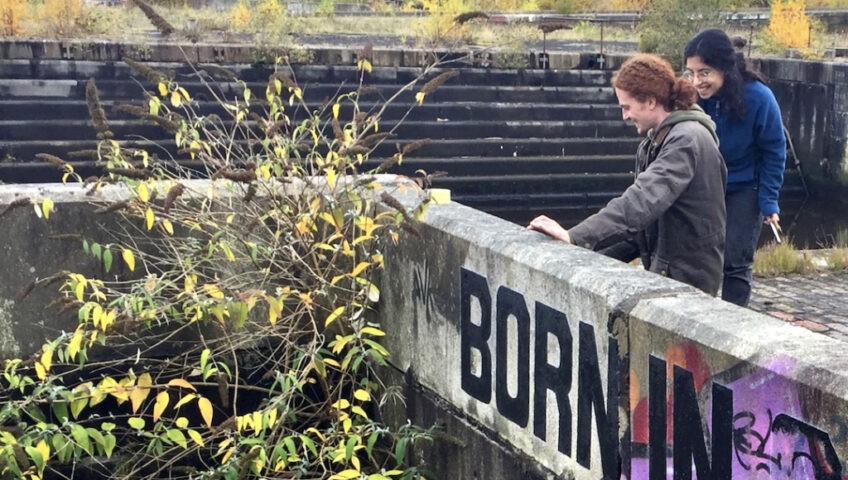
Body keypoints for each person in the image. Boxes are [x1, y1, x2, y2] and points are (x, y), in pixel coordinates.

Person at [527, 54, 727, 296]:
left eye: (626, 107)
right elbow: (640, 228)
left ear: (650, 101)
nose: (624, 116)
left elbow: (641, 202)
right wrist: (580, 253)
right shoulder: (659, 139)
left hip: (688, 279)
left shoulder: (686, 139)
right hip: (669, 269)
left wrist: (575, 237)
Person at [684, 28, 787, 306]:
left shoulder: (759, 98)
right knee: (695, 257)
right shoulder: (691, 97)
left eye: (704, 73)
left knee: (735, 261)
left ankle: (733, 318)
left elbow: (774, 150)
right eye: (691, 73)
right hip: (705, 186)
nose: (697, 81)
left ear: (725, 68)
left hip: (744, 187)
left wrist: (768, 200)